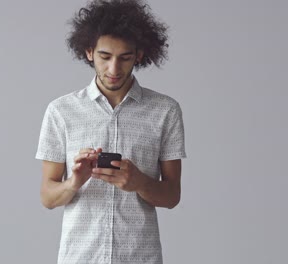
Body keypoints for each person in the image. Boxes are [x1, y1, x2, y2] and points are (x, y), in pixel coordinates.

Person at [35, 0, 186, 263]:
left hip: (140, 257)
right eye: (105, 57)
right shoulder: (61, 111)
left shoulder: (166, 111)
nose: (114, 69)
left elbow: (172, 195)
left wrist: (139, 182)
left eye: (125, 58)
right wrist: (74, 182)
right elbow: (48, 197)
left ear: (139, 55)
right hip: (79, 257)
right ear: (89, 52)